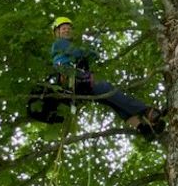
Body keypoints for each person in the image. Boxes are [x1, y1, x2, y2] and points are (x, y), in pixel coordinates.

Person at [30, 16, 165, 139]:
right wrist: (90, 52)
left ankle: (143, 128)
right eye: (64, 28)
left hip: (78, 84)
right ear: (57, 32)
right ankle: (146, 111)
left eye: (69, 29)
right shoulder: (59, 44)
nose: (67, 31)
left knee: (112, 101)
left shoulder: (70, 46)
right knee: (106, 88)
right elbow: (77, 52)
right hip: (74, 78)